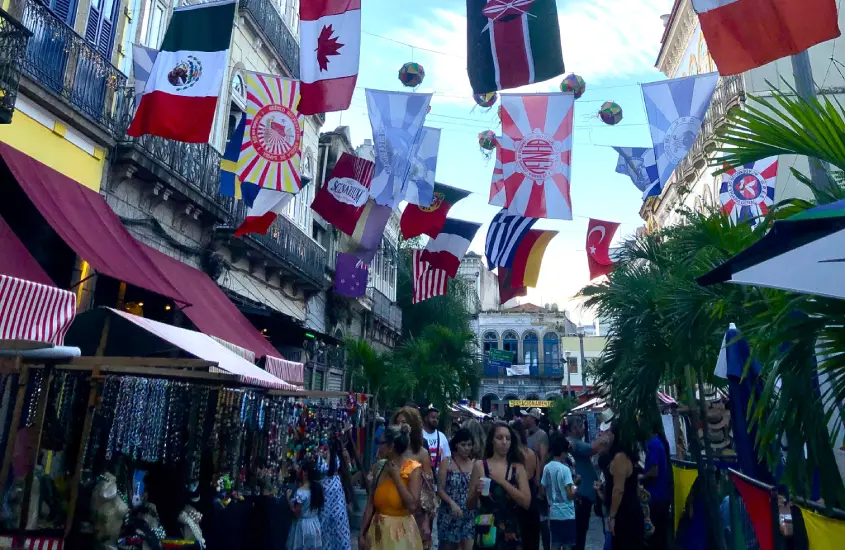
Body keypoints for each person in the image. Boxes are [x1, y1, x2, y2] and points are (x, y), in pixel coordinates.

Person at [467, 421, 531, 550]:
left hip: (510, 531)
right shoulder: (480, 466)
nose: (504, 442)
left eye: (508, 438)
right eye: (499, 437)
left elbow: (526, 502)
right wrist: (475, 491)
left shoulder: (516, 468)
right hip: (487, 530)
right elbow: (469, 505)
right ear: (492, 440)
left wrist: (503, 482)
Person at [360, 424, 423, 550]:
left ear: (391, 446)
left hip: (401, 535)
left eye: (381, 442)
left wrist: (397, 478)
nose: (379, 447)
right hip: (378, 532)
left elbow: (412, 506)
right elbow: (370, 504)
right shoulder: (379, 467)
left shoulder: (412, 469)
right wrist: (362, 534)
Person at [393, 407, 437, 549]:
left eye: (404, 423)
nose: (400, 427)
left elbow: (428, 491)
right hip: (389, 512)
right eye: (397, 423)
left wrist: (426, 521)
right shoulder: (388, 451)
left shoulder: (422, 454)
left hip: (413, 515)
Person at [600, 421, 644, 550]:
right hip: (628, 512)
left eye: (609, 432)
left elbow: (618, 490)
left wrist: (612, 516)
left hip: (625, 514)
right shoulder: (623, 455)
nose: (607, 435)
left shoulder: (620, 458)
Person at [565, 416, 604, 550]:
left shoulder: (574, 442)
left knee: (581, 530)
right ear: (573, 429)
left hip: (583, 493)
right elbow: (592, 448)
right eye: (581, 426)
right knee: (579, 531)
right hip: (580, 494)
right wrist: (605, 435)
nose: (584, 429)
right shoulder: (573, 442)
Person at [437, 428, 477, 550]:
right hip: (449, 514)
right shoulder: (447, 462)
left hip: (469, 514)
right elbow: (440, 489)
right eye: (463, 445)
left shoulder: (474, 464)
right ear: (456, 445)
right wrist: (451, 503)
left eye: (469, 445)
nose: (466, 448)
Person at [541, 435, 577, 550]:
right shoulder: (565, 469)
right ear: (562, 452)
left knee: (555, 544)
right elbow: (570, 494)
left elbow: (542, 489)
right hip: (567, 513)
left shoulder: (547, 467)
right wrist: (575, 487)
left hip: (553, 513)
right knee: (567, 545)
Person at [521, 408, 549, 550]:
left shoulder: (541, 435)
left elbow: (542, 458)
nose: (524, 419)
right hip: (526, 478)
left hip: (536, 480)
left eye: (526, 417)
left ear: (533, 419)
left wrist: (539, 479)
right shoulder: (526, 434)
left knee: (541, 517)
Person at [641, 421, 671, 550]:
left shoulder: (654, 445)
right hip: (660, 495)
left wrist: (640, 477)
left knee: (654, 535)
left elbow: (654, 472)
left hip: (656, 496)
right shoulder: (657, 443)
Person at [511, 421, 540, 550]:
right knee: (531, 542)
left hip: (516, 503)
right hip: (532, 502)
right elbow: (537, 481)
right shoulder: (533, 454)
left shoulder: (512, 456)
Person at [320, 437, 353, 550]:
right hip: (325, 490)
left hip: (335, 491)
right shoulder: (320, 454)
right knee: (324, 523)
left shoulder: (336, 455)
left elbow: (348, 469)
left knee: (338, 523)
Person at [288, 460, 325, 550]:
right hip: (315, 524)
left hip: (303, 526)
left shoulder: (301, 492)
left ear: (304, 473)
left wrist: (288, 499)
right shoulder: (318, 488)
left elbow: (297, 513)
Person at [423, 406, 452, 474]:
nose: (435, 420)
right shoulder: (419, 435)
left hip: (438, 476)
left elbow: (447, 457)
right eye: (433, 417)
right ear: (425, 418)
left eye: (437, 418)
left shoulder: (442, 436)